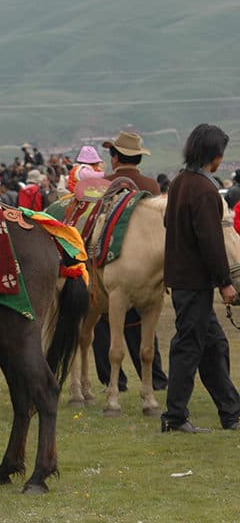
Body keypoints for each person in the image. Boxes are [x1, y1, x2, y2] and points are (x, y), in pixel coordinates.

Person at [160, 124, 240, 433]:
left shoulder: (180, 182)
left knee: (214, 345)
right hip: (195, 283)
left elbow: (170, 222)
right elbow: (211, 241)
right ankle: (175, 417)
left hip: (182, 279)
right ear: (214, 156)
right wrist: (225, 281)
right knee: (188, 347)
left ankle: (231, 412)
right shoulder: (206, 190)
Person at [92, 130, 168, 391]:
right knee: (145, 330)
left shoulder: (102, 185)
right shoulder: (152, 186)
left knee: (103, 325)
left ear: (114, 158)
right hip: (148, 269)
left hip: (108, 268)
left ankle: (113, 382)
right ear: (138, 159)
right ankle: (155, 380)